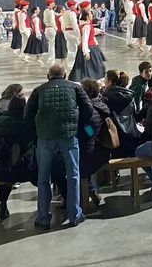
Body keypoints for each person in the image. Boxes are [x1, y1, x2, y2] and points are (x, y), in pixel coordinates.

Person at [25, 63, 92, 228]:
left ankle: (43, 218)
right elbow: (88, 109)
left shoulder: (38, 91)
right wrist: (77, 125)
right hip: (68, 136)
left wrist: (38, 131)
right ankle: (74, 215)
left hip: (45, 138)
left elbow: (27, 115)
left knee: (44, 178)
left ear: (48, 76)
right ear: (65, 75)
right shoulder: (75, 88)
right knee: (73, 174)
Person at [53, 79, 111, 209]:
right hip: (102, 151)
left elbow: (89, 132)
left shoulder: (87, 111)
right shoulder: (102, 106)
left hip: (91, 153)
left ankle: (68, 198)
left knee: (57, 166)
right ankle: (92, 190)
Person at [0, 94, 35, 220]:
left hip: (0, 167)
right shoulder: (26, 122)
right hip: (24, 169)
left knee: (5, 164)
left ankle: (3, 203)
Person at [102, 70, 141, 156]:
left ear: (110, 82)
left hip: (113, 139)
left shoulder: (105, 96)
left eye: (105, 79)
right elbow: (134, 115)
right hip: (130, 136)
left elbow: (100, 118)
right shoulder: (130, 96)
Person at [69, 9, 107, 83]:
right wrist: (86, 52)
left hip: (90, 46)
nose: (92, 15)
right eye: (90, 14)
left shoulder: (86, 25)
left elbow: (91, 32)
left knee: (89, 65)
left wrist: (99, 31)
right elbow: (85, 39)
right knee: (95, 65)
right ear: (87, 16)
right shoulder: (86, 26)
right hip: (90, 47)